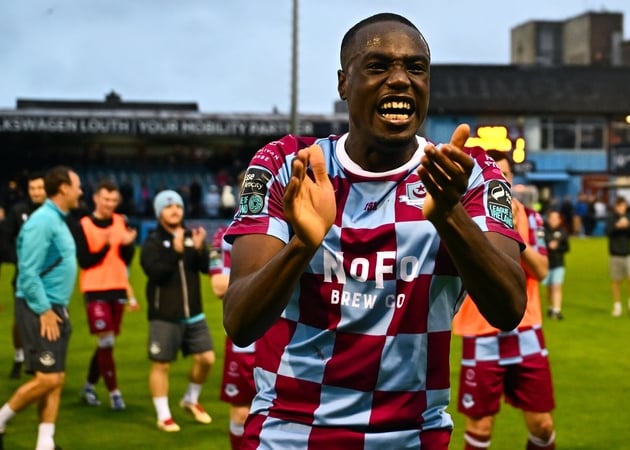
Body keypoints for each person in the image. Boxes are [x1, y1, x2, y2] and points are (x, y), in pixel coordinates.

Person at [222, 12, 526, 450]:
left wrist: (448, 215)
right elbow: (240, 322)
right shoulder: (288, 164)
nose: (400, 80)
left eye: (415, 68)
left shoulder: (471, 173)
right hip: (289, 434)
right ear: (344, 83)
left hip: (412, 437)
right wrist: (303, 245)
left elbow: (508, 308)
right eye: (379, 66)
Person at [452, 149, 556, 450]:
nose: (501, 180)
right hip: (480, 332)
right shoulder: (464, 216)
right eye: (494, 174)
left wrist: (512, 235)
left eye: (505, 175)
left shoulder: (530, 216)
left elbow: (542, 270)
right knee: (480, 428)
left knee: (542, 424)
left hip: (527, 332)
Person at [0, 166, 83, 450]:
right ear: (63, 188)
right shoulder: (43, 221)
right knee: (47, 378)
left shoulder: (58, 219)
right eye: (77, 186)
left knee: (56, 377)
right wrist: (45, 310)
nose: (80, 191)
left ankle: (45, 444)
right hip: (41, 308)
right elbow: (27, 272)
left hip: (55, 307)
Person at [140, 190, 214, 432]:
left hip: (194, 313)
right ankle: (164, 416)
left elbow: (204, 269)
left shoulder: (192, 236)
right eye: (169, 207)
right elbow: (155, 273)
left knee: (207, 359)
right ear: (159, 212)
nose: (175, 211)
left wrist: (201, 249)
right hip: (165, 315)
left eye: (178, 207)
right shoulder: (151, 242)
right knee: (162, 364)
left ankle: (190, 400)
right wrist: (176, 251)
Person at [71, 180, 138, 410]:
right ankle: (114, 394)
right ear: (96, 198)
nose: (109, 203)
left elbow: (126, 259)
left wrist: (128, 244)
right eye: (106, 199)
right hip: (94, 289)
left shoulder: (121, 221)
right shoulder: (83, 224)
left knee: (105, 344)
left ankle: (89, 386)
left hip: (117, 286)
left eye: (113, 200)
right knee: (106, 341)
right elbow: (85, 261)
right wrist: (107, 245)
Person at [210, 224, 257, 450]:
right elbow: (218, 286)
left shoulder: (293, 224)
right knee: (241, 413)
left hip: (286, 340)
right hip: (245, 343)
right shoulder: (225, 234)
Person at [3, 173, 46, 379]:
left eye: (40, 188)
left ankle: (41, 357)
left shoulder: (53, 213)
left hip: (48, 277)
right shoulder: (18, 211)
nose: (36, 192)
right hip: (24, 276)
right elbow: (4, 238)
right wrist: (18, 259)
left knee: (46, 317)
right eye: (33, 188)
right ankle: (20, 357)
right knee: (21, 319)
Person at [606, 196, 630, 317]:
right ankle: (617, 305)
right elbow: (608, 232)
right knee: (616, 281)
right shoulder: (611, 218)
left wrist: (628, 226)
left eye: (624, 206)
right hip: (615, 253)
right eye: (619, 206)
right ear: (616, 207)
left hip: (628, 252)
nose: (621, 208)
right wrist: (617, 226)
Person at [543, 209, 569, 320]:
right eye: (552, 218)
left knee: (556, 286)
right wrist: (548, 246)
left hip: (558, 263)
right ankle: (550, 306)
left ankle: (557, 310)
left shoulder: (563, 231)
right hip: (546, 263)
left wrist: (557, 247)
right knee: (549, 287)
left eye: (556, 218)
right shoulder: (543, 231)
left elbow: (567, 247)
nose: (554, 221)